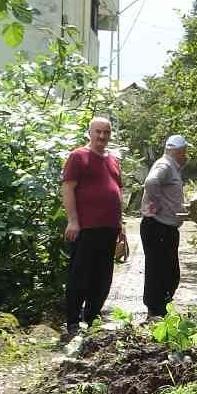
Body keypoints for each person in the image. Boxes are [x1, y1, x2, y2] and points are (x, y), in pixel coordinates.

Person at [61, 116, 128, 338]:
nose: (102, 136)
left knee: (103, 277)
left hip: (109, 228)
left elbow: (118, 194)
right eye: (98, 132)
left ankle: (90, 319)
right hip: (86, 227)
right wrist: (73, 220)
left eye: (106, 132)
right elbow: (68, 189)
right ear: (89, 132)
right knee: (80, 275)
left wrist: (122, 228)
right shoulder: (78, 156)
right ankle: (72, 323)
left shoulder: (113, 160)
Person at [141, 134, 188, 319]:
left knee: (169, 271)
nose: (186, 155)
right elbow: (151, 182)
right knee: (158, 270)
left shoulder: (171, 167)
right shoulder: (165, 164)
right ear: (179, 151)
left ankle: (162, 309)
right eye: (185, 151)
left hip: (166, 227)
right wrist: (157, 202)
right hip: (157, 226)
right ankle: (155, 312)